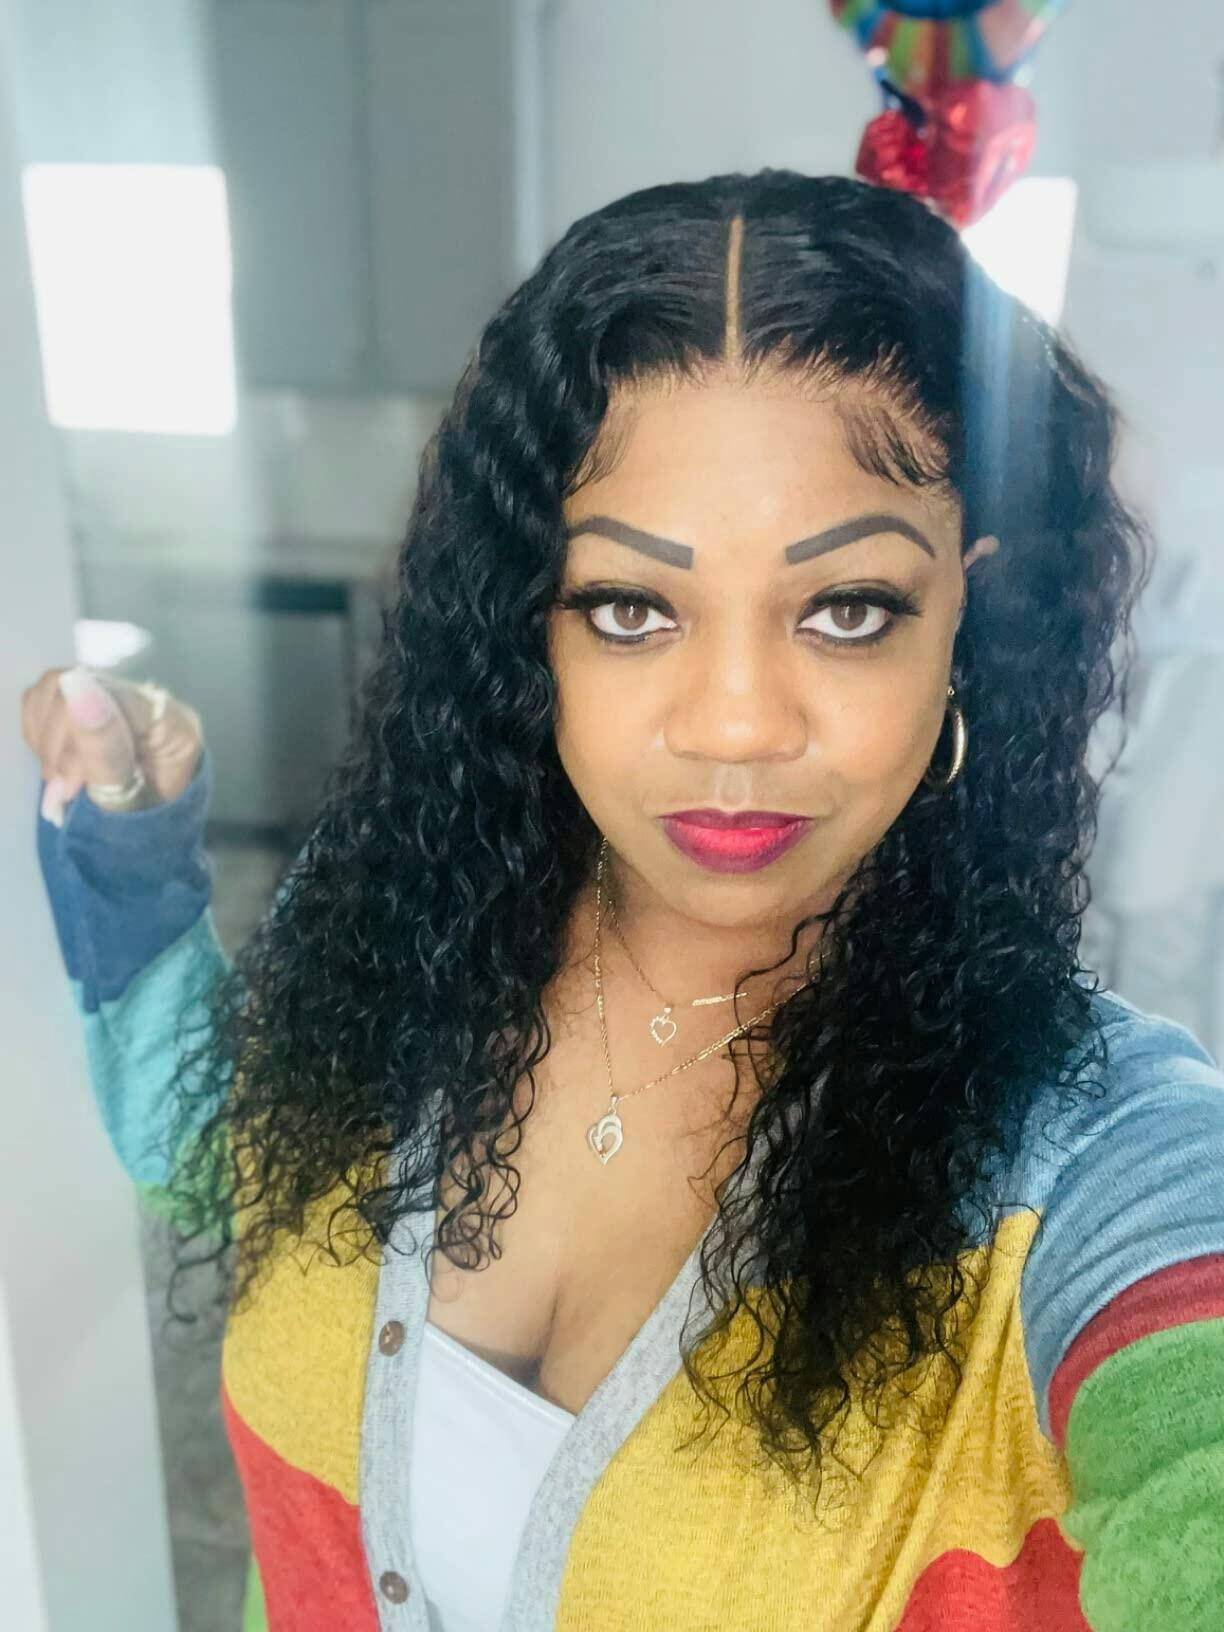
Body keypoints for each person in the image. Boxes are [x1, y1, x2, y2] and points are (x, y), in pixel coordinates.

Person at [21, 170, 1224, 1632]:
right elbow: (220, 1150)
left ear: (969, 614)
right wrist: (134, 854)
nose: (736, 724)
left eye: (849, 610)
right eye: (632, 607)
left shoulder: (1097, 1162)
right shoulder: (415, 945)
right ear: (530, 625)